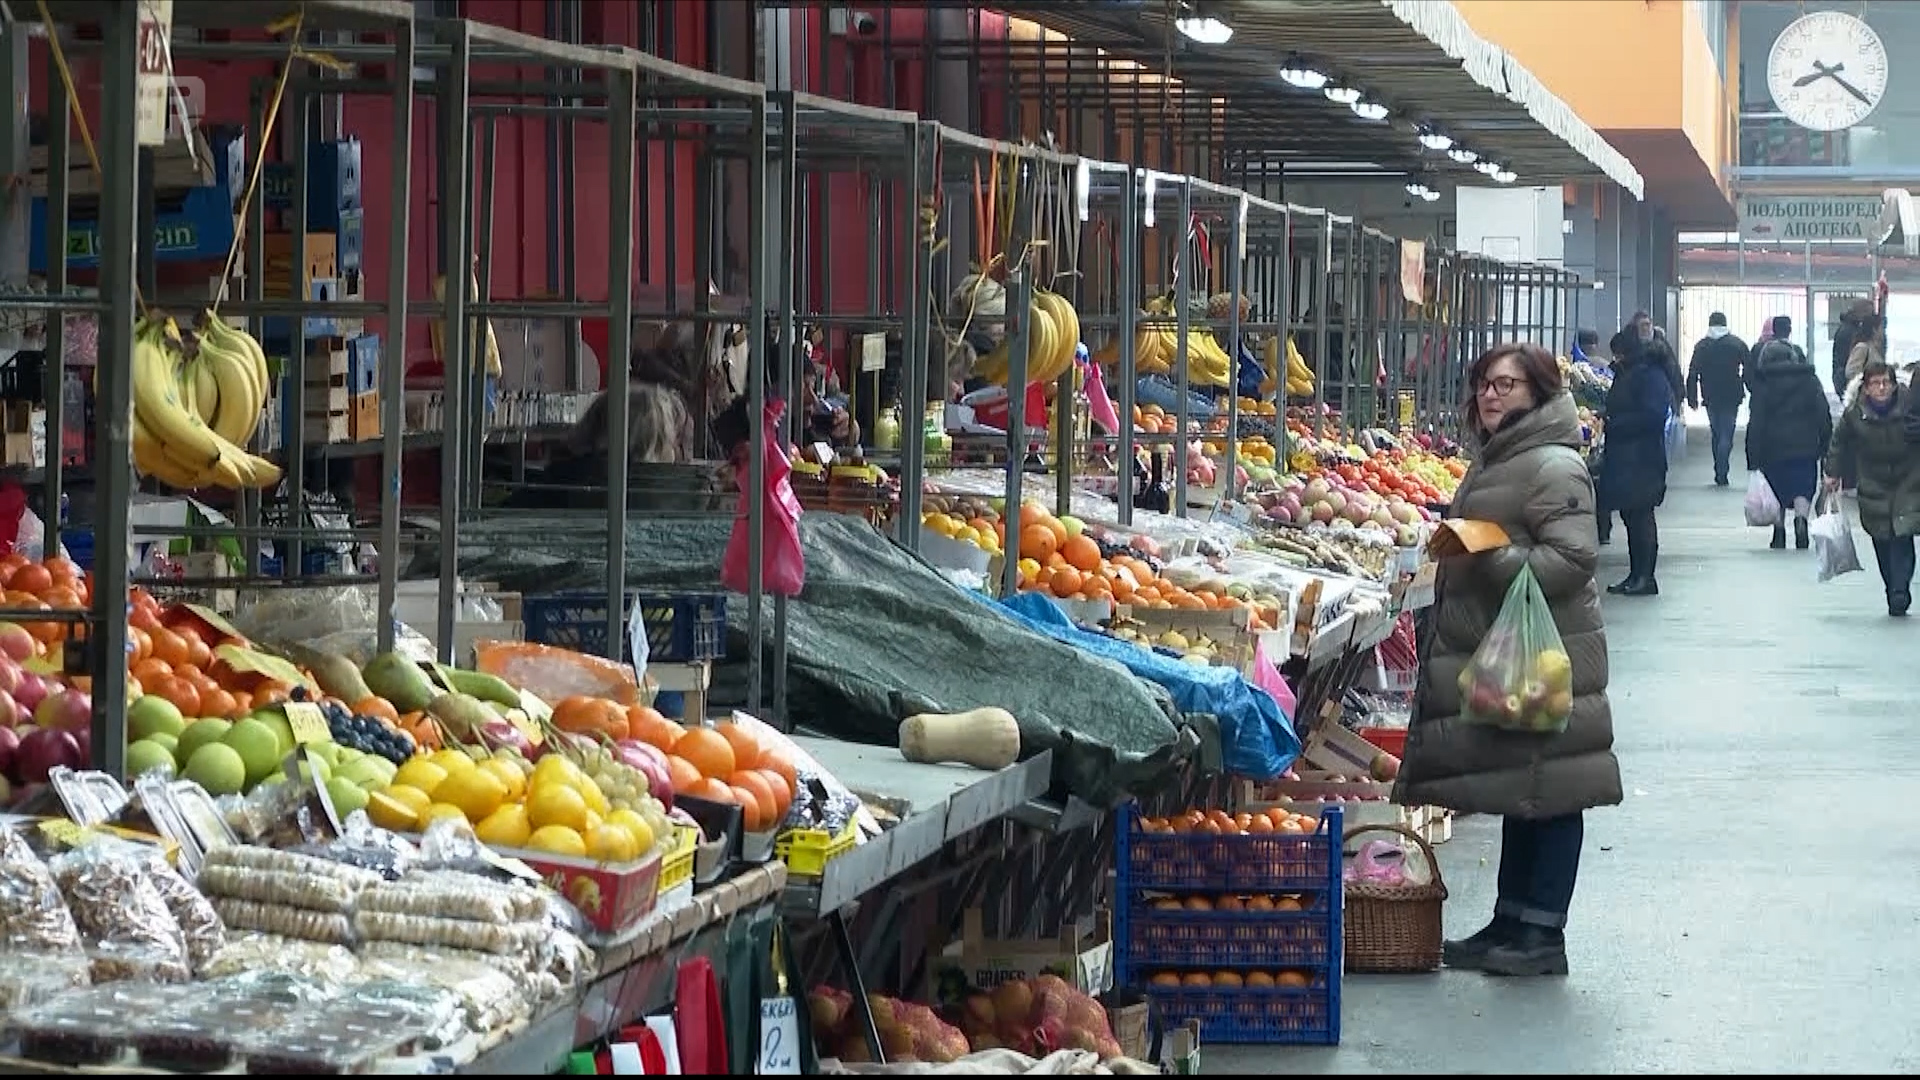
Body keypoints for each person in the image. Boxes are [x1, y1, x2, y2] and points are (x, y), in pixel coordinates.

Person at [1395, 342, 1620, 979]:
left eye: (1507, 385)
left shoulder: (1552, 464)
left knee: (1552, 790)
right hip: (1513, 649)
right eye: (1485, 385)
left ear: (1539, 394)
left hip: (1546, 652)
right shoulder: (1503, 458)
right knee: (1525, 787)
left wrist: (1487, 553)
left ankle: (1543, 936)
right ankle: (1511, 920)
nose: (1491, 396)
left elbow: (1573, 559)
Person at [1827, 359, 1920, 615]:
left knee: (1903, 535)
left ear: (1893, 385)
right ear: (1865, 388)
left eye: (1886, 383)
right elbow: (1838, 442)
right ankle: (1892, 586)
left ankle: (1900, 591)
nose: (1881, 388)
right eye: (1875, 383)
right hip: (1872, 483)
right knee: (1882, 537)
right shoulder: (1856, 415)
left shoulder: (1910, 408)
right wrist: (1832, 472)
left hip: (1908, 480)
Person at [1598, 328, 1671, 596]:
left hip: (1643, 458)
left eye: (1618, 352)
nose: (1614, 358)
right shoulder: (1630, 372)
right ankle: (1635, 574)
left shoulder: (1650, 375)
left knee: (1641, 515)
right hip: (1628, 457)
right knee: (1631, 515)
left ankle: (1646, 576)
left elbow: (1653, 416)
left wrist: (1615, 424)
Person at [1745, 336, 1832, 550]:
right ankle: (1801, 520)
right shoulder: (1810, 380)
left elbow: (1756, 421)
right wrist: (1825, 441)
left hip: (1772, 447)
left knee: (1777, 488)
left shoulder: (1763, 383)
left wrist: (1752, 454)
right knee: (1802, 486)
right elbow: (1823, 413)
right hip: (1805, 445)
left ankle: (1779, 530)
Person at [1686, 312, 1749, 487]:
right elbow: (1749, 367)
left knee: (1716, 431)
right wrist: (1747, 385)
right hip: (1731, 395)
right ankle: (1722, 467)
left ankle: (1719, 469)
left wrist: (1692, 397)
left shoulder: (1702, 346)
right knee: (1727, 432)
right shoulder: (1737, 343)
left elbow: (1693, 372)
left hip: (1710, 394)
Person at [1631, 311, 1684, 408]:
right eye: (1642, 325)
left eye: (1647, 324)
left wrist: (1679, 394)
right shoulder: (1632, 347)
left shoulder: (1662, 344)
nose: (1645, 328)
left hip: (1665, 396)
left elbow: (1673, 369)